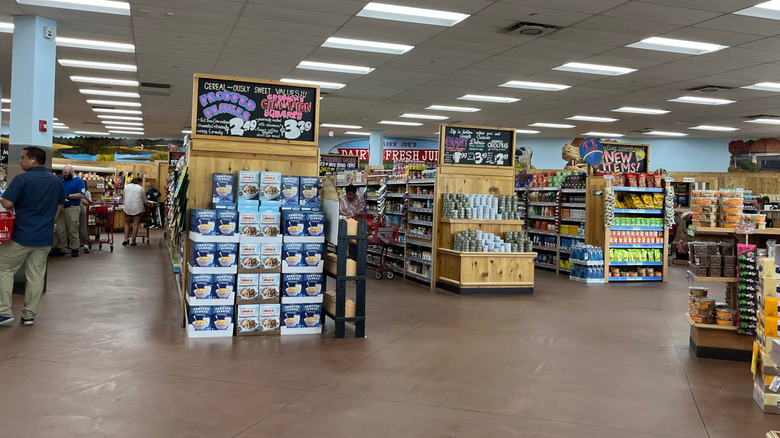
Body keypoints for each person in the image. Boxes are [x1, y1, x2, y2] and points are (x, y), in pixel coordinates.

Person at [0, 146, 65, 326]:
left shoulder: (22, 179)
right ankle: (29, 315)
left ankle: (3, 312)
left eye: (22, 158)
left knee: (4, 269)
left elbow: (7, 203)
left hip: (21, 235)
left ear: (33, 160)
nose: (20, 161)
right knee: (36, 276)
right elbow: (59, 207)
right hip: (44, 237)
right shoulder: (55, 181)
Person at [54, 164, 86, 257]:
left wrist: (69, 196)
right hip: (62, 207)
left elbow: (81, 194)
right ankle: (63, 248)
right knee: (61, 229)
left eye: (66, 173)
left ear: (72, 171)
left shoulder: (79, 181)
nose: (65, 175)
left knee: (73, 228)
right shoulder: (62, 179)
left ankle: (74, 248)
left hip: (73, 207)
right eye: (63, 173)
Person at [123, 177, 146, 246]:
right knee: (135, 224)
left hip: (127, 206)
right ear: (139, 182)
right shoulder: (140, 188)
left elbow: (124, 196)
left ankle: (126, 239)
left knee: (127, 224)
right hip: (137, 207)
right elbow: (144, 199)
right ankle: (133, 241)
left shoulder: (126, 187)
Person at [78, 189, 92, 253]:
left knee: (74, 228)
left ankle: (75, 246)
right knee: (83, 227)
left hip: (74, 207)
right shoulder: (82, 190)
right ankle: (85, 244)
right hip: (82, 208)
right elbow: (87, 201)